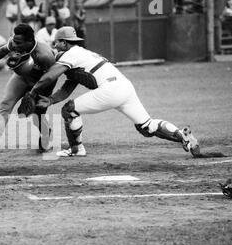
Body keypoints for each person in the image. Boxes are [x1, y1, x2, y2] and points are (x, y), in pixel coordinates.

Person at [31, 26, 201, 158]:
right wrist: (51, 100)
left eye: (57, 43)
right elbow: (67, 87)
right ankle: (183, 136)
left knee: (69, 110)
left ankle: (76, 150)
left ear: (64, 42)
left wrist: (33, 92)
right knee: (147, 127)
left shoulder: (71, 53)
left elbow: (50, 76)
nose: (55, 46)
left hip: (110, 89)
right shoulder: (81, 54)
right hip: (124, 87)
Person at [0, 24, 56, 154]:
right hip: (21, 78)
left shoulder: (45, 55)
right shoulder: (16, 42)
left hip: (41, 83)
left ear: (30, 41)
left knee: (36, 115)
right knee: (6, 103)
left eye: (18, 42)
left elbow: (50, 78)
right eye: (14, 40)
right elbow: (2, 51)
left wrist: (36, 95)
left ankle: (45, 136)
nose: (14, 45)